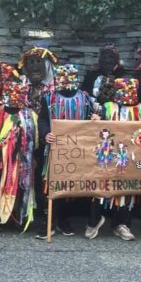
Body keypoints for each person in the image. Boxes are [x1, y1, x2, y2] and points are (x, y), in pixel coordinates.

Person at [37, 63, 97, 240]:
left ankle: (64, 220)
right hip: (54, 149)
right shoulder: (49, 98)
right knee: (50, 185)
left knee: (69, 187)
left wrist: (94, 118)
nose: (65, 80)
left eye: (70, 76)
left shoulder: (84, 98)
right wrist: (45, 133)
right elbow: (42, 120)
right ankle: (49, 221)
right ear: (56, 78)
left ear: (75, 78)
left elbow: (91, 118)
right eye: (62, 77)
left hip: (75, 151)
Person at [85, 78, 141, 241]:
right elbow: (97, 130)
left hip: (128, 157)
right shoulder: (108, 107)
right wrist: (96, 120)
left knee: (126, 189)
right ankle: (94, 221)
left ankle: (121, 224)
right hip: (106, 156)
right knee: (100, 186)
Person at [0, 80, 39, 231]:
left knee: (22, 184)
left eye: (19, 93)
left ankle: (20, 215)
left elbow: (34, 139)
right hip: (2, 159)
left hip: (24, 158)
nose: (15, 96)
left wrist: (32, 156)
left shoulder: (30, 115)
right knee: (1, 185)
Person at [80, 43, 128, 107]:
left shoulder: (123, 76)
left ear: (117, 59)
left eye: (111, 57)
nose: (108, 60)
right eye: (104, 57)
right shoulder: (91, 76)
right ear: (100, 60)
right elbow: (84, 94)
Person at [18, 46, 58, 116]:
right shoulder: (20, 87)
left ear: (48, 66)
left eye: (39, 62)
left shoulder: (57, 89)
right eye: (31, 63)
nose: (35, 68)